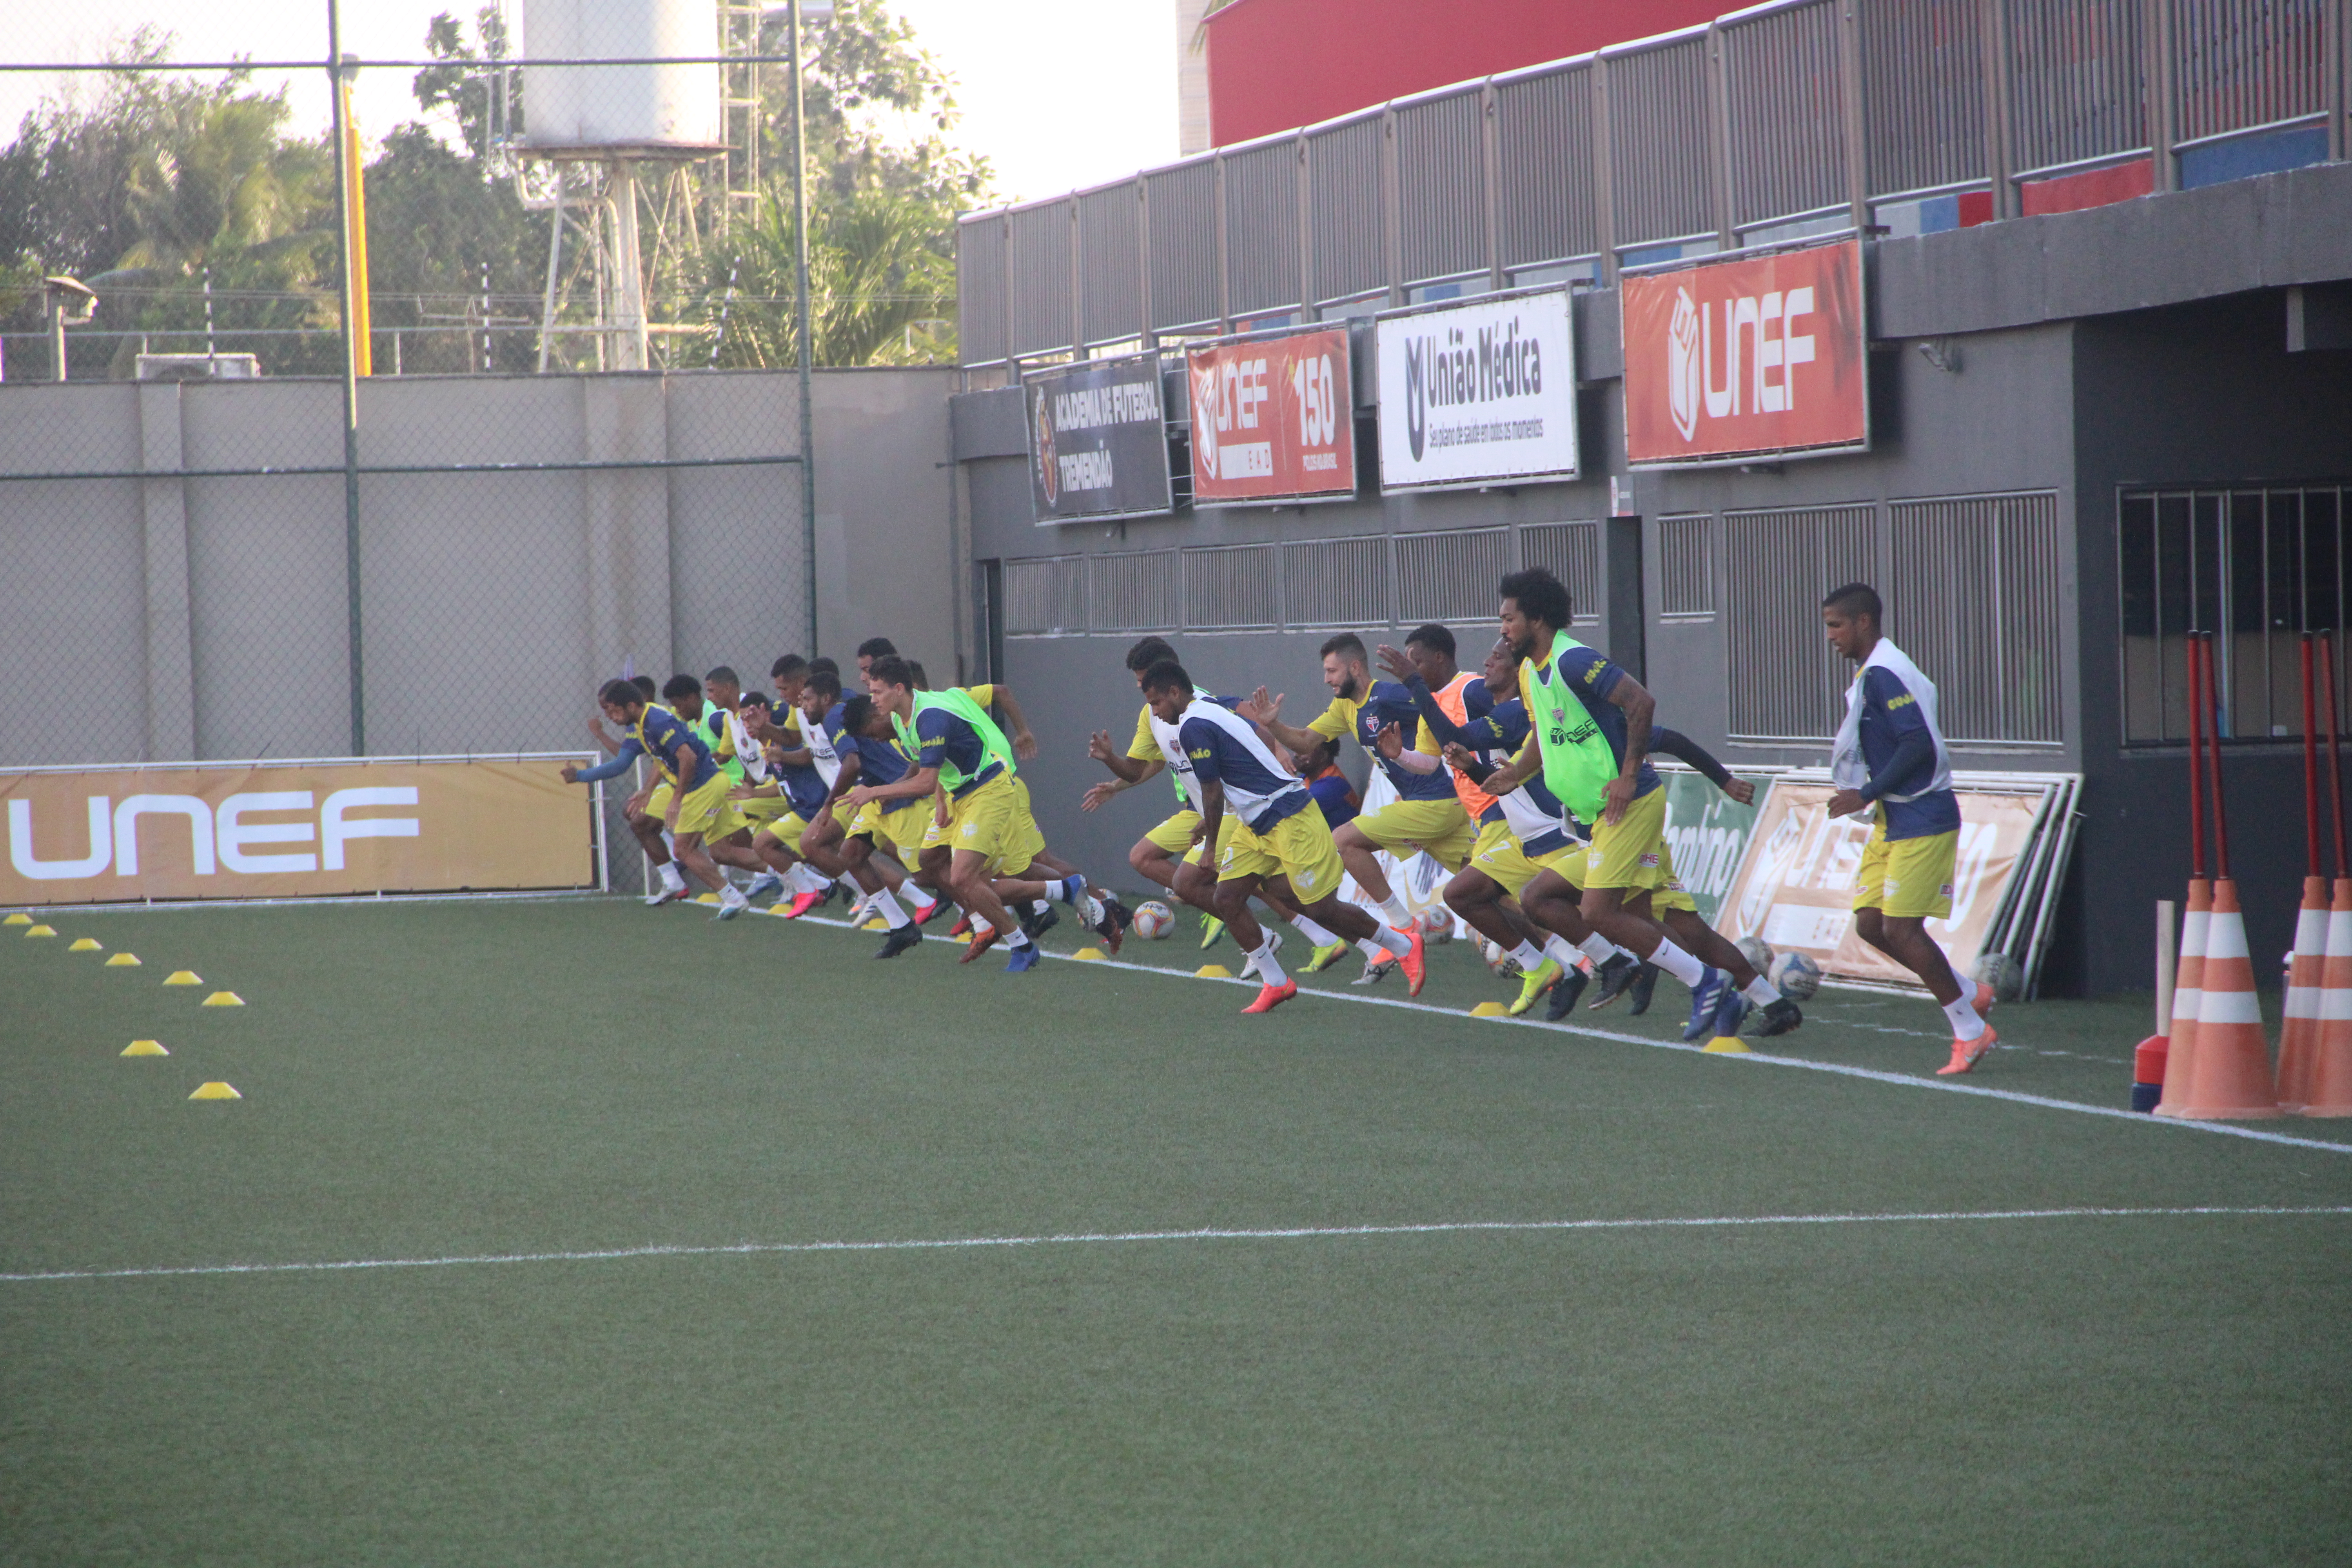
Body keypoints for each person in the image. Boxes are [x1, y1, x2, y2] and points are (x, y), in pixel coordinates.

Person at [1477, 568, 1798, 1041]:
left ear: (1538, 619)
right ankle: (1771, 1004)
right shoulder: (1530, 673)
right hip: (1601, 821)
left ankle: (1703, 982)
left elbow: (1642, 703)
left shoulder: (1572, 661)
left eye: (1508, 618)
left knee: (1599, 913)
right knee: (1659, 922)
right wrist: (1514, 774)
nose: (1502, 629)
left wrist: (1628, 777)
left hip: (1629, 810)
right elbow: (1545, 739)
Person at [1144, 660, 1421, 1013]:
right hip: (1254, 822)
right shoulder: (1210, 708)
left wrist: (1210, 846)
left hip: (1288, 815)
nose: (1155, 712)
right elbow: (1246, 749)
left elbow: (1211, 790)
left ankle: (1401, 945)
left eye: (1156, 703)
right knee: (1228, 898)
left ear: (1174, 692)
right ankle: (1276, 982)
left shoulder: (1193, 726)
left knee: (1319, 907)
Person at [1082, 637, 1348, 970]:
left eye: (1143, 678)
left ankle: (1319, 935)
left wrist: (1277, 751)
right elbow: (1141, 767)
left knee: (1210, 882)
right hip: (1201, 811)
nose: (1140, 686)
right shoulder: (1152, 714)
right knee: (1145, 858)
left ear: (1168, 678)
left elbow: (1251, 718)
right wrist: (1112, 765)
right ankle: (1281, 934)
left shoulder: (1203, 704)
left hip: (1233, 809)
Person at [1822, 581, 1997, 1074]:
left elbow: (1917, 744)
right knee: (1871, 924)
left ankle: (1971, 1030)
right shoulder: (1877, 670)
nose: (1830, 635)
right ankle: (1968, 993)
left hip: (1921, 815)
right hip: (1892, 818)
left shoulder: (1884, 673)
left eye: (1836, 625)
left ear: (1863, 622)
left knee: (1901, 929)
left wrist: (1867, 791)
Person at [846, 657, 1111, 971]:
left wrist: (873, 792)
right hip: (960, 795)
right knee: (928, 863)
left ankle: (1022, 943)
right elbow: (938, 768)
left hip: (988, 789)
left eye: (877, 692)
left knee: (974, 876)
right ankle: (1055, 892)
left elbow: (926, 779)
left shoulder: (929, 717)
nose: (873, 700)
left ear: (899, 689)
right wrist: (942, 803)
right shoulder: (902, 720)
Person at [1248, 632, 1477, 985]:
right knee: (1489, 884)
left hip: (1437, 802)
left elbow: (1438, 709)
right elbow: (1306, 740)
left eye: (1332, 671)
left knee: (1345, 839)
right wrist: (1273, 724)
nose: (1327, 679)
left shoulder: (1387, 696)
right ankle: (1566, 952)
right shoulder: (1344, 707)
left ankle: (1403, 926)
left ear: (1355, 667)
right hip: (1431, 807)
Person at [564, 677, 763, 919]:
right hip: (709, 783)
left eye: (613, 710)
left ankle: (732, 898)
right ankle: (792, 873)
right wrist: (648, 790)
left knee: (683, 849)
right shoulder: (643, 722)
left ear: (631, 705)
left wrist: (677, 799)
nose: (609, 716)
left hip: (702, 787)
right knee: (722, 852)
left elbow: (687, 758)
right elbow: (660, 759)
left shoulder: (657, 720)